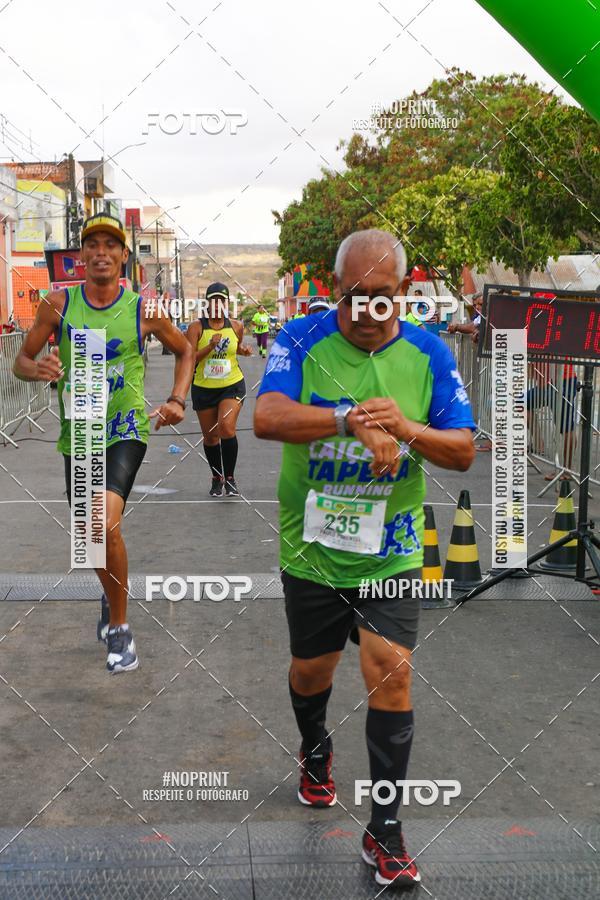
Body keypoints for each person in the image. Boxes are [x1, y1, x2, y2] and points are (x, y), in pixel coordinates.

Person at [254, 228, 476, 888]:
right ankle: (315, 746)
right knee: (311, 672)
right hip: (315, 547)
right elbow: (267, 417)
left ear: (403, 292)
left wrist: (406, 429)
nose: (367, 310)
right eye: (354, 296)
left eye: (381, 296)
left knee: (391, 672)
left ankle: (385, 830)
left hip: (392, 548)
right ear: (335, 289)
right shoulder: (301, 338)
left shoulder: (430, 353)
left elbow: (463, 449)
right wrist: (347, 418)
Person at [13, 213, 194, 673]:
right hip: (80, 432)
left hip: (124, 428)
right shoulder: (58, 305)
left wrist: (177, 399)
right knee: (92, 537)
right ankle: (111, 593)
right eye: (92, 244)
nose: (100, 252)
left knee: (102, 521)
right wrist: (38, 369)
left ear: (123, 256)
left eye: (110, 245)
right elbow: (21, 361)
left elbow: (185, 349)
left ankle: (120, 627)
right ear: (81, 256)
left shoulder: (143, 311)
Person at [186, 281, 252, 497]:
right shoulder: (196, 328)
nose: (217, 305)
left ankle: (230, 478)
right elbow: (189, 359)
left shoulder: (236, 326)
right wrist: (210, 346)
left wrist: (244, 351)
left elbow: (235, 348)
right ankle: (217, 477)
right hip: (204, 387)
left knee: (226, 427)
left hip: (232, 385)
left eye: (221, 301)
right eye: (213, 301)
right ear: (207, 303)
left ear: (226, 304)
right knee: (211, 437)